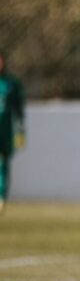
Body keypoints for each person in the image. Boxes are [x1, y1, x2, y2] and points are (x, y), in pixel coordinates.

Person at [0, 51, 25, 214]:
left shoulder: (11, 83)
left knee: (3, 164)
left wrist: (21, 132)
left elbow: (19, 110)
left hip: (5, 131)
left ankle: (1, 197)